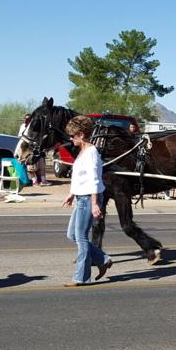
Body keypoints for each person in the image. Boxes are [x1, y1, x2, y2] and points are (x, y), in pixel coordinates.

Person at [61, 115, 113, 286]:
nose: (71, 138)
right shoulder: (82, 151)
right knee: (72, 234)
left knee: (81, 237)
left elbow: (94, 179)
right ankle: (103, 259)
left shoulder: (91, 152)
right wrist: (71, 193)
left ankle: (81, 278)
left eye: (73, 135)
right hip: (80, 197)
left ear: (81, 135)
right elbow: (79, 177)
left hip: (88, 199)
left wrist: (94, 203)